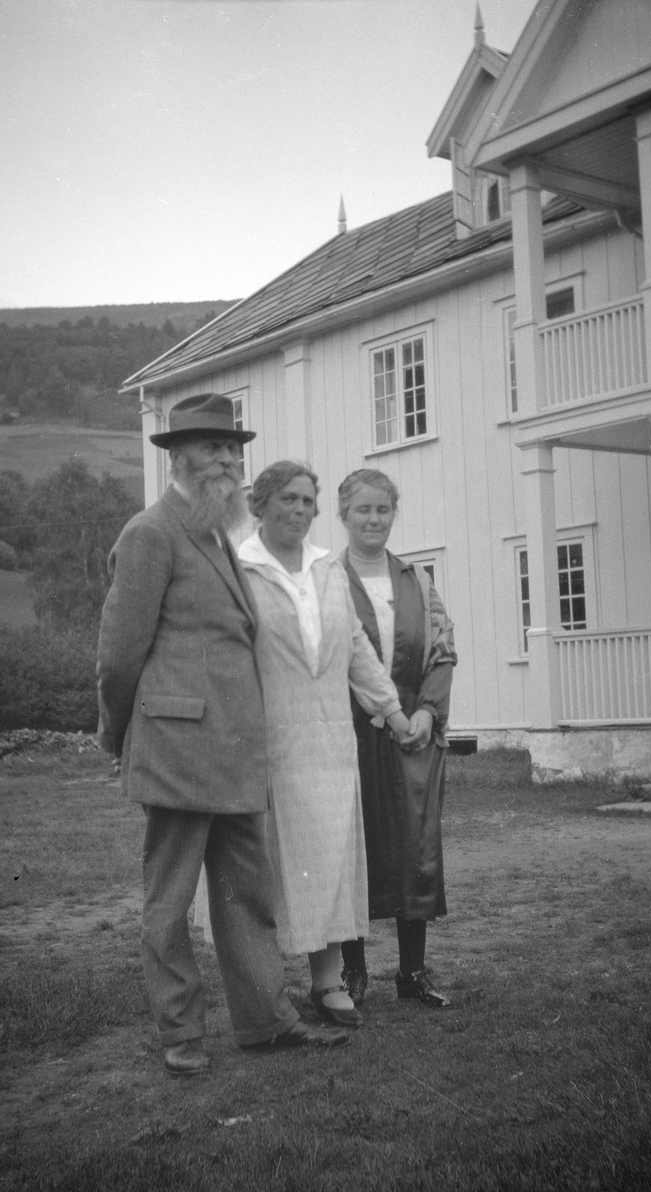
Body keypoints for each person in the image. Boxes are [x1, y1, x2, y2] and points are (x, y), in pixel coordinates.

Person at [96, 394, 349, 1077]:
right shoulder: (150, 533)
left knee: (248, 895)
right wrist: (117, 734)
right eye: (212, 449)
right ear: (177, 458)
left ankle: (266, 1022)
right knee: (171, 903)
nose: (229, 462)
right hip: (178, 753)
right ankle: (181, 1036)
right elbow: (120, 655)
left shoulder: (216, 535)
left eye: (234, 451)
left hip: (237, 754)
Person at [237, 461, 411, 1029]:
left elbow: (357, 647)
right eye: (288, 498)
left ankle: (328, 983)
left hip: (333, 743)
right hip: (268, 743)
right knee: (268, 867)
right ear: (259, 505)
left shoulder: (328, 569)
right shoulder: (239, 569)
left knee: (329, 859)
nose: (300, 509)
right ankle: (264, 990)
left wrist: (391, 711)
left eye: (308, 500)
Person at [337, 468, 457, 1009]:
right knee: (353, 846)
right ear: (343, 515)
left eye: (382, 509)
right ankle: (353, 972)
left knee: (416, 846)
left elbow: (442, 650)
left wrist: (429, 711)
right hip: (349, 732)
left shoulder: (417, 579)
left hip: (413, 732)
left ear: (394, 513)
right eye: (362, 510)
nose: (373, 519)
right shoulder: (328, 578)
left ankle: (412, 971)